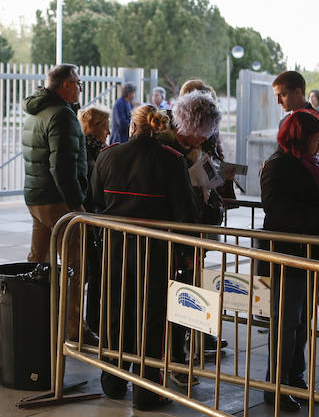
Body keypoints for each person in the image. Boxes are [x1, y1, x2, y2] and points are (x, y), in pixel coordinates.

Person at [89, 105, 198, 411]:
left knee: (115, 310)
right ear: (159, 128)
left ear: (132, 127)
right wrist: (188, 252)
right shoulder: (172, 160)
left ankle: (112, 381)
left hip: (114, 247)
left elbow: (94, 199)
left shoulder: (108, 155)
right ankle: (146, 390)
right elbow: (185, 212)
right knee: (151, 316)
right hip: (156, 251)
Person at [260, 109, 319, 412]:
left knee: (301, 321)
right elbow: (276, 208)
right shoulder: (278, 166)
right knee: (286, 322)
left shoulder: (312, 164)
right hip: (288, 254)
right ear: (299, 139)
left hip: (311, 255)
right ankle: (276, 385)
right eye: (316, 140)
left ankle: (295, 377)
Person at [157, 89, 227, 383]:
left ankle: (179, 356)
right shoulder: (165, 152)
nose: (207, 138)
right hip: (172, 240)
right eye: (204, 132)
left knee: (187, 298)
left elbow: (211, 187)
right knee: (170, 301)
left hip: (192, 237)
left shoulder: (196, 151)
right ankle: (172, 359)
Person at [273, 70, 319, 348]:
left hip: (316, 206)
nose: (279, 101)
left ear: (298, 91)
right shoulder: (285, 120)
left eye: (283, 94)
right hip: (297, 214)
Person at [21, 63, 90, 341]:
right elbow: (62, 167)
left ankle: (37, 318)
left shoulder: (35, 111)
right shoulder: (62, 115)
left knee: (39, 261)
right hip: (58, 201)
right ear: (65, 85)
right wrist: (76, 204)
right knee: (75, 265)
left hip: (36, 197)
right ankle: (73, 329)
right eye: (77, 82)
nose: (80, 88)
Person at [77, 104, 110, 335]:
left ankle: (93, 321)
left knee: (94, 270)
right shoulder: (91, 152)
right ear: (97, 126)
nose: (108, 131)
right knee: (93, 271)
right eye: (106, 126)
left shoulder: (96, 149)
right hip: (90, 218)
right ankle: (91, 322)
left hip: (93, 216)